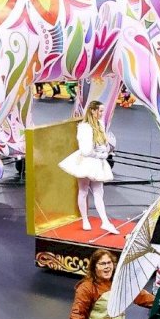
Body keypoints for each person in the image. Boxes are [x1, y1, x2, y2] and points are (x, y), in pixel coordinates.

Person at [59, 100, 119, 234]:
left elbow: (103, 143)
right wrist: (100, 154)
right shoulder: (84, 127)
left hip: (97, 162)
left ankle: (105, 222)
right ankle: (85, 220)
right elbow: (86, 150)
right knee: (84, 190)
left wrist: (106, 150)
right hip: (86, 162)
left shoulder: (100, 124)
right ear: (93, 110)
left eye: (103, 111)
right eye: (100, 111)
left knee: (99, 193)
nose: (102, 113)